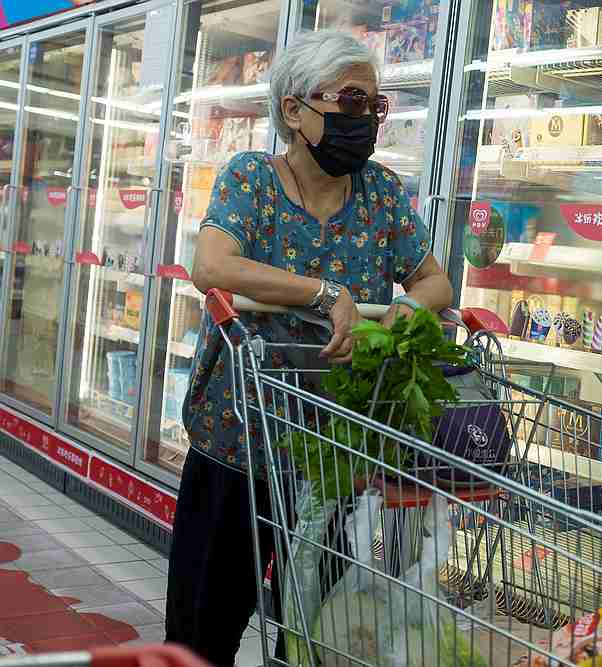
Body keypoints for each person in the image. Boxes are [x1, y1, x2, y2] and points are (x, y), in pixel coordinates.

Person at [164, 29, 453, 667]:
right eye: (350, 104)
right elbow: (211, 265)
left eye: (374, 109)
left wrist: (400, 316)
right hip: (237, 440)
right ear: (294, 110)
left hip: (334, 453)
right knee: (201, 634)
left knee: (316, 634)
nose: (366, 122)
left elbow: (436, 280)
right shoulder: (252, 179)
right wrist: (327, 293)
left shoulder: (379, 194)